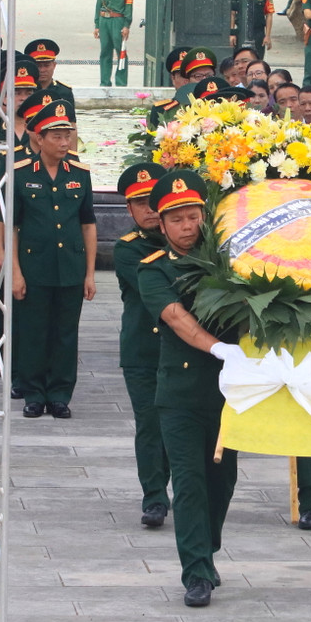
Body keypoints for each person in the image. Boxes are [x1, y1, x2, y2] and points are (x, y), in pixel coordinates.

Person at [137, 171, 238, 607]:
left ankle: (207, 549)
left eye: (193, 216)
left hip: (230, 392)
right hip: (180, 390)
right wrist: (220, 348)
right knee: (190, 482)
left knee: (223, 481)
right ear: (161, 224)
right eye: (175, 219)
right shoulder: (154, 269)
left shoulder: (230, 261)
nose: (186, 226)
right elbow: (177, 318)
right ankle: (195, 571)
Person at [9, 101, 97, 419]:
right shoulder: (20, 175)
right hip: (34, 267)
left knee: (65, 333)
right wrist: (15, 272)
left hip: (70, 268)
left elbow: (88, 225)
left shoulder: (80, 175)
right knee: (33, 331)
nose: (63, 143)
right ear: (39, 138)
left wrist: (90, 273)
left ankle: (60, 394)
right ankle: (33, 393)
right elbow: (12, 228)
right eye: (57, 136)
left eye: (67, 136)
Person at [114, 163, 172, 527]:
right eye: (140, 203)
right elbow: (160, 293)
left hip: (188, 353)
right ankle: (154, 497)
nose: (149, 209)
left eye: (154, 201)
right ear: (128, 209)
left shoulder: (195, 240)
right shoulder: (127, 250)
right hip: (144, 350)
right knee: (150, 424)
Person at [93, 0, 133, 87]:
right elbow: (98, 4)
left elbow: (129, 5)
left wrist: (126, 25)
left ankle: (121, 83)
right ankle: (104, 83)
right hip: (104, 20)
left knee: (120, 51)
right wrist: (97, 25)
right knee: (105, 51)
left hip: (118, 20)